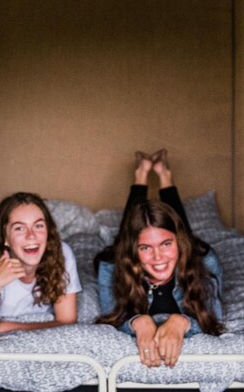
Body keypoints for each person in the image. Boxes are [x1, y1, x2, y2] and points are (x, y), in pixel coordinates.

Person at [96, 149, 224, 368]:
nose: (158, 257)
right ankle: (141, 174)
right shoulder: (111, 267)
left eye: (166, 244)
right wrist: (139, 323)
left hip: (188, 249)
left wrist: (181, 322)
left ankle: (164, 174)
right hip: (125, 252)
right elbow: (111, 321)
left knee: (179, 229)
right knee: (131, 227)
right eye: (145, 247)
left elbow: (214, 321)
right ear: (134, 250)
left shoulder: (206, 261)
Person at [0, 192, 81, 349]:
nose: (31, 235)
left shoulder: (62, 253)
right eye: (19, 228)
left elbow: (67, 321)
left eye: (38, 226)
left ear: (48, 232)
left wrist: (6, 326)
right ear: (5, 237)